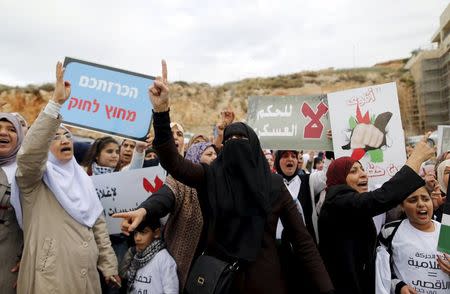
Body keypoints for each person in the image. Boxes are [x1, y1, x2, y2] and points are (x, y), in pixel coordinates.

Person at [115, 60, 334, 294]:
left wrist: (327, 289)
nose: (235, 147)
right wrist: (161, 112)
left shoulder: (273, 185)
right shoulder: (211, 177)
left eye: (242, 141)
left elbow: (303, 241)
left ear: (254, 148)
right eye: (229, 142)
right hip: (218, 281)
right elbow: (174, 163)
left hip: (264, 282)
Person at [11, 62, 119, 293]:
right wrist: (55, 104)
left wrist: (109, 268)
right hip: (50, 278)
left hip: (86, 277)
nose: (64, 140)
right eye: (56, 136)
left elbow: (98, 225)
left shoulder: (82, 180)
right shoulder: (34, 181)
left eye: (67, 136)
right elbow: (30, 154)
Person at [318, 134, 435, 294]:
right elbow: (382, 197)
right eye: (354, 171)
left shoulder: (444, 230)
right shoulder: (337, 202)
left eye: (363, 169)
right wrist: (416, 158)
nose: (364, 174)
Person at [116, 141, 217, 291]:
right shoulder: (180, 183)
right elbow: (163, 198)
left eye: (216, 154)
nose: (214, 157)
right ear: (193, 158)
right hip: (182, 264)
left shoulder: (223, 187)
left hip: (211, 269)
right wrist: (143, 211)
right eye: (209, 154)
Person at [375, 186, 450, 294]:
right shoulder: (391, 231)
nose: (421, 204)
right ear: (402, 205)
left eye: (425, 199)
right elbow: (380, 273)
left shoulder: (446, 232)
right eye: (413, 200)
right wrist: (399, 286)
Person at [120, 216, 178, 294]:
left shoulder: (163, 258)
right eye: (135, 233)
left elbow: (171, 290)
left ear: (156, 233)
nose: (137, 238)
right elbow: (124, 274)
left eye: (143, 232)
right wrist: (130, 252)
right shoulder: (137, 257)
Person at [0, 113, 24, 294]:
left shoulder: (27, 172)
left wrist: (28, 257)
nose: (3, 133)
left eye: (11, 129)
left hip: (9, 259)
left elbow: (39, 221)